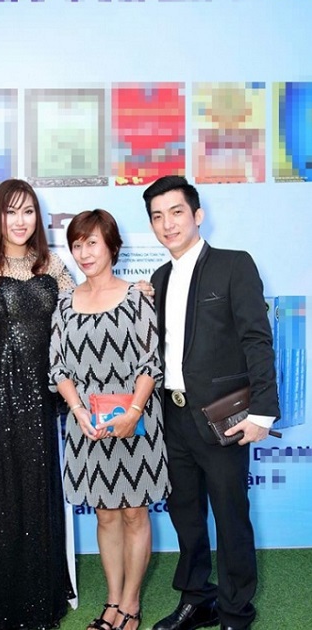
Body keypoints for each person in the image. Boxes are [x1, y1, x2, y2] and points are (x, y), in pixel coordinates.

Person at [142, 176, 280, 630]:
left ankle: (236, 610)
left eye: (176, 212)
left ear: (197, 215)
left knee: (230, 516)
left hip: (223, 417)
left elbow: (257, 340)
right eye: (158, 216)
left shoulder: (234, 265)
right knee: (186, 515)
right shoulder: (159, 278)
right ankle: (197, 598)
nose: (168, 224)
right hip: (172, 417)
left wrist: (262, 412)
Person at [49, 209, 171, 630]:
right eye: (77, 245)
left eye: (92, 243)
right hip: (88, 426)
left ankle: (131, 605)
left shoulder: (137, 298)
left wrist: (133, 412)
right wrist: (78, 410)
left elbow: (150, 363)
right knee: (105, 515)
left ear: (112, 247)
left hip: (137, 422)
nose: (84, 253)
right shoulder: (64, 304)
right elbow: (58, 367)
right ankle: (113, 600)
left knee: (135, 513)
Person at [0, 179, 76, 630]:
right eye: (11, 211)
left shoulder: (53, 265)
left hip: (41, 398)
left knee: (37, 491)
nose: (20, 220)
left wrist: (134, 292)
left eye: (28, 211)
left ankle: (40, 598)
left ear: (38, 217)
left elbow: (84, 309)